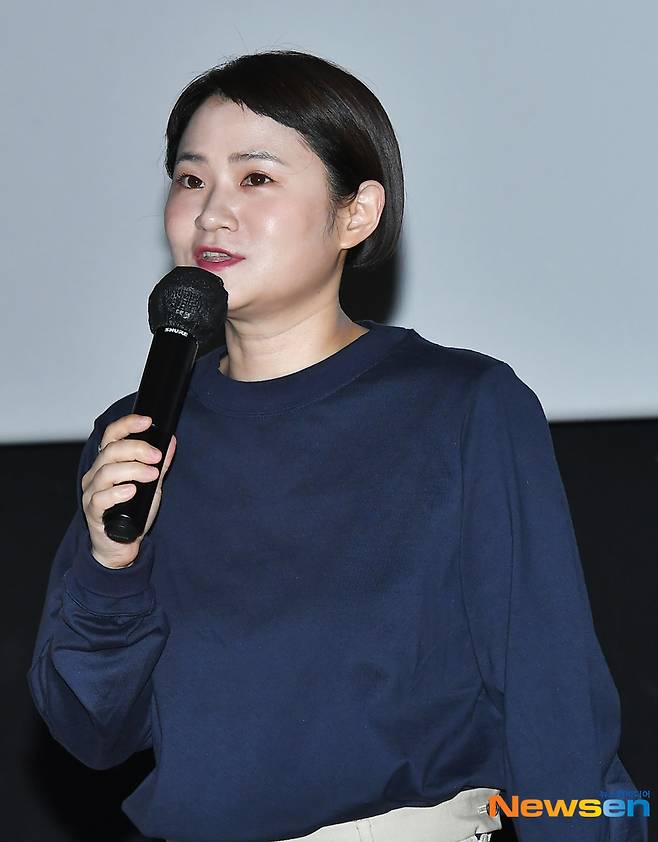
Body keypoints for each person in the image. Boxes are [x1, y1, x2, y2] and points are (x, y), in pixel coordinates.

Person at [27, 50, 647, 842]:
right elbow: (92, 733)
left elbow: (553, 704)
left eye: (256, 178)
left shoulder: (461, 406)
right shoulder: (140, 430)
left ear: (357, 213)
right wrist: (110, 568)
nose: (211, 213)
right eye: (190, 179)